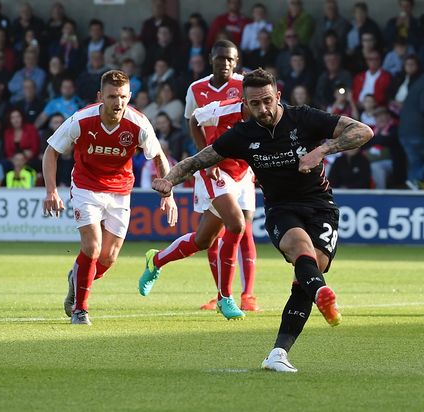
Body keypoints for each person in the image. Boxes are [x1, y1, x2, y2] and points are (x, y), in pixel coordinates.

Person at [150, 68, 374, 372]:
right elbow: (198, 160)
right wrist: (169, 180)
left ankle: (278, 353)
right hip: (281, 208)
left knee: (306, 276)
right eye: (254, 104)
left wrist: (322, 150)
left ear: (278, 96)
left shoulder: (304, 118)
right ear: (245, 103)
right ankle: (321, 292)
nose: (263, 109)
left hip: (321, 206)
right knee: (300, 250)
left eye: (267, 101)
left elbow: (363, 131)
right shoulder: (244, 133)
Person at [42, 70, 178, 325]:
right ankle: (80, 310)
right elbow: (51, 151)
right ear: (100, 96)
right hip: (86, 187)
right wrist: (51, 191)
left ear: (130, 96)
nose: (118, 102)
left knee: (108, 258)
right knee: (92, 247)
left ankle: (76, 278)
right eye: (112, 96)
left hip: (120, 191)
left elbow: (159, 156)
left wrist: (167, 193)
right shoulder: (81, 119)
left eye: (123, 97)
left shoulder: (138, 123)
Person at [177, 39, 259, 314]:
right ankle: (222, 294)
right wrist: (205, 158)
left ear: (236, 61)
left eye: (230, 59)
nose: (225, 62)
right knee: (213, 234)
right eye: (220, 57)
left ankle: (248, 295)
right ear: (211, 57)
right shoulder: (196, 89)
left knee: (244, 230)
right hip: (212, 170)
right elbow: (193, 122)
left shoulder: (244, 86)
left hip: (242, 170)